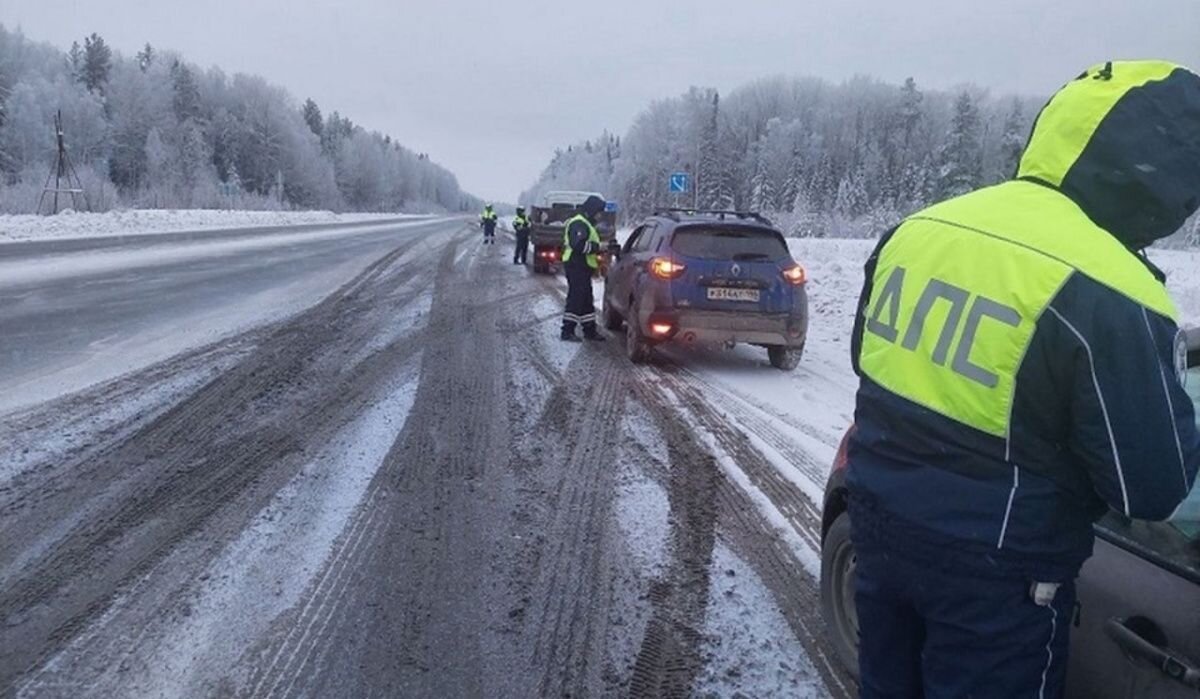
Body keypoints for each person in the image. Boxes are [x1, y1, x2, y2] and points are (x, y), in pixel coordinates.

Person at [847, 60, 1200, 698]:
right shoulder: (1112, 288)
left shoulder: (921, 228)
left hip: (876, 522)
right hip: (997, 575)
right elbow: (1148, 487)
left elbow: (868, 363)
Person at [560, 195, 607, 342]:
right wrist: (598, 247)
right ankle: (567, 331)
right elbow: (578, 245)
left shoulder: (585, 223)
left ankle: (589, 330)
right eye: (599, 212)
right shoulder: (579, 223)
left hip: (582, 266)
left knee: (586, 299)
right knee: (576, 298)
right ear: (592, 210)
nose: (600, 216)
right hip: (576, 265)